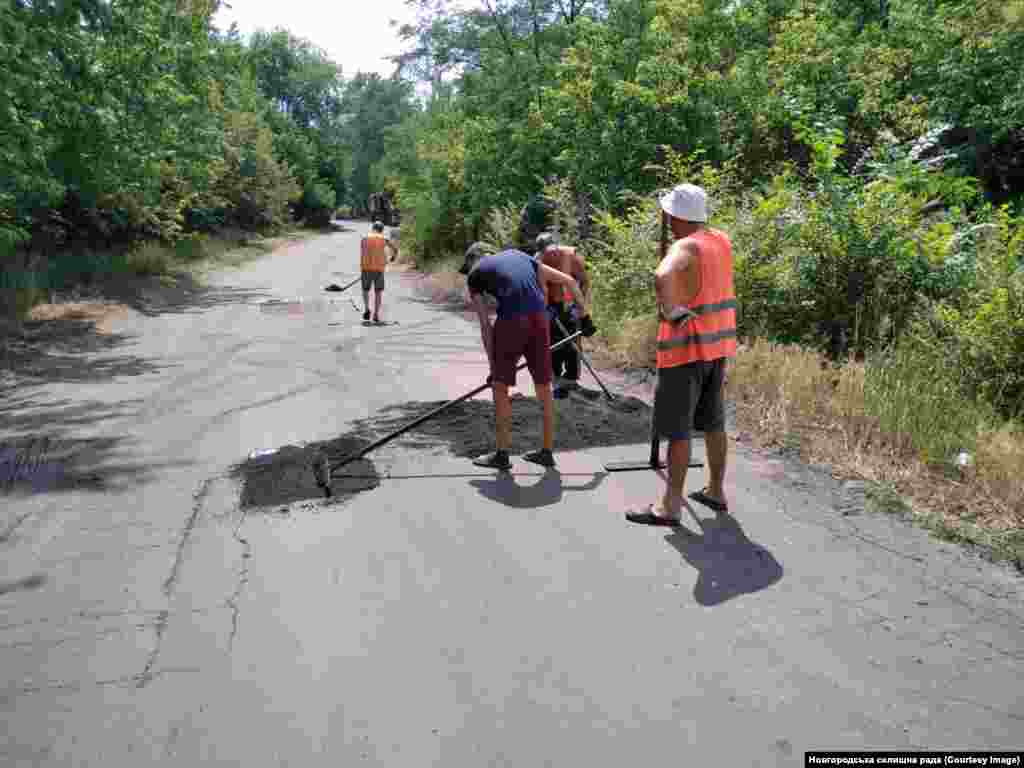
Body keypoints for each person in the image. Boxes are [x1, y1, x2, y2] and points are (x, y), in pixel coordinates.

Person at [626, 183, 737, 526]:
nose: (669, 220)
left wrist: (671, 310)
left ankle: (669, 506)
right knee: (714, 423)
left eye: (671, 215)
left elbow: (662, 274)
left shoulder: (685, 245)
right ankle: (716, 491)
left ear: (677, 217)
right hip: (717, 348)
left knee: (678, 429)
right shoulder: (719, 239)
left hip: (686, 352)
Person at [459, 242, 597, 469]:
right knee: (544, 386)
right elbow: (570, 281)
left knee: (500, 387)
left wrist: (494, 368)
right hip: (539, 319)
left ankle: (501, 455)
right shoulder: (522, 257)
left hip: (512, 320)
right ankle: (546, 451)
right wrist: (585, 316)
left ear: (474, 259)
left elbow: (485, 325)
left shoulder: (475, 274)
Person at [535, 232, 590, 398]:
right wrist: (543, 309)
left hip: (570, 305)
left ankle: (571, 380)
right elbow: (538, 286)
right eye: (547, 252)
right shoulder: (538, 260)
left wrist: (580, 308)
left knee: (572, 346)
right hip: (550, 306)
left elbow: (585, 281)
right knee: (553, 345)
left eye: (553, 249)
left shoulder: (573, 258)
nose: (551, 253)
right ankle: (556, 382)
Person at [360, 220, 397, 323]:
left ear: (373, 228)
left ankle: (367, 308)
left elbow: (363, 251)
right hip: (379, 269)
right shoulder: (384, 239)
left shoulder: (364, 238)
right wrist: (392, 258)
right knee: (378, 292)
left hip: (366, 268)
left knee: (365, 290)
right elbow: (395, 249)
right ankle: (376, 314)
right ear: (382, 230)